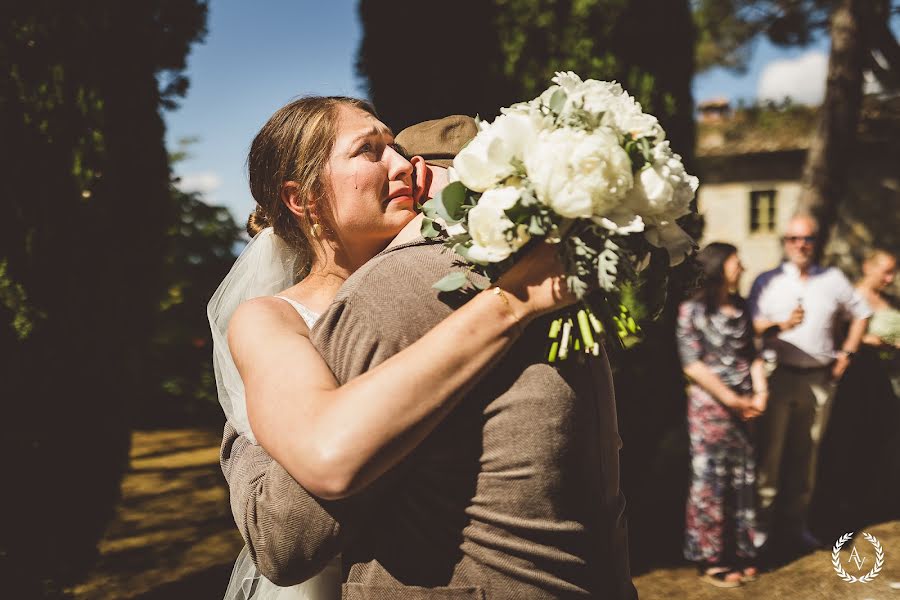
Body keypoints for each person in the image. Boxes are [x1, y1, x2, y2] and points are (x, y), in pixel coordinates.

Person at [212, 99, 636, 598]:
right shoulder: (270, 317)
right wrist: (244, 437)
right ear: (301, 199)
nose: (403, 166)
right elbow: (293, 522)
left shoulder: (426, 285)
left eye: (394, 146)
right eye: (369, 152)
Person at [747, 213, 871, 557]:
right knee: (769, 458)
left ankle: (795, 528)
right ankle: (760, 532)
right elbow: (750, 326)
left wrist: (847, 352)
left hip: (819, 381)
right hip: (778, 377)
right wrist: (779, 324)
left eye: (807, 239)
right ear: (784, 242)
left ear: (817, 242)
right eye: (793, 239)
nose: (800, 245)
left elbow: (861, 312)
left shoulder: (832, 279)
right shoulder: (767, 281)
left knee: (807, 458)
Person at [677, 243, 767, 588]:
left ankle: (742, 551)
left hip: (745, 407)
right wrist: (732, 399)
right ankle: (711, 556)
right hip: (710, 410)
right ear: (717, 266)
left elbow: (754, 353)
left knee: (742, 478)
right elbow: (692, 364)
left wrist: (760, 393)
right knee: (710, 481)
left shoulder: (742, 306)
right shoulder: (692, 310)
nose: (741, 266)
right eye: (735, 261)